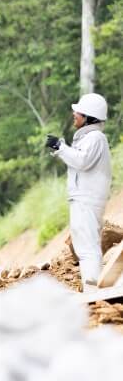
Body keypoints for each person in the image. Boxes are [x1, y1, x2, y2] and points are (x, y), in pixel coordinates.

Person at [46, 93, 111, 290]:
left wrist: (60, 147)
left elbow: (82, 161)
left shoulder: (95, 137)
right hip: (83, 199)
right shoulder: (89, 138)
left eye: (78, 112)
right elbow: (80, 159)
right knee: (84, 245)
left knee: (88, 246)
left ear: (89, 116)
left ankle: (94, 289)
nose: (74, 114)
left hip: (87, 199)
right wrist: (63, 148)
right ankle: (92, 287)